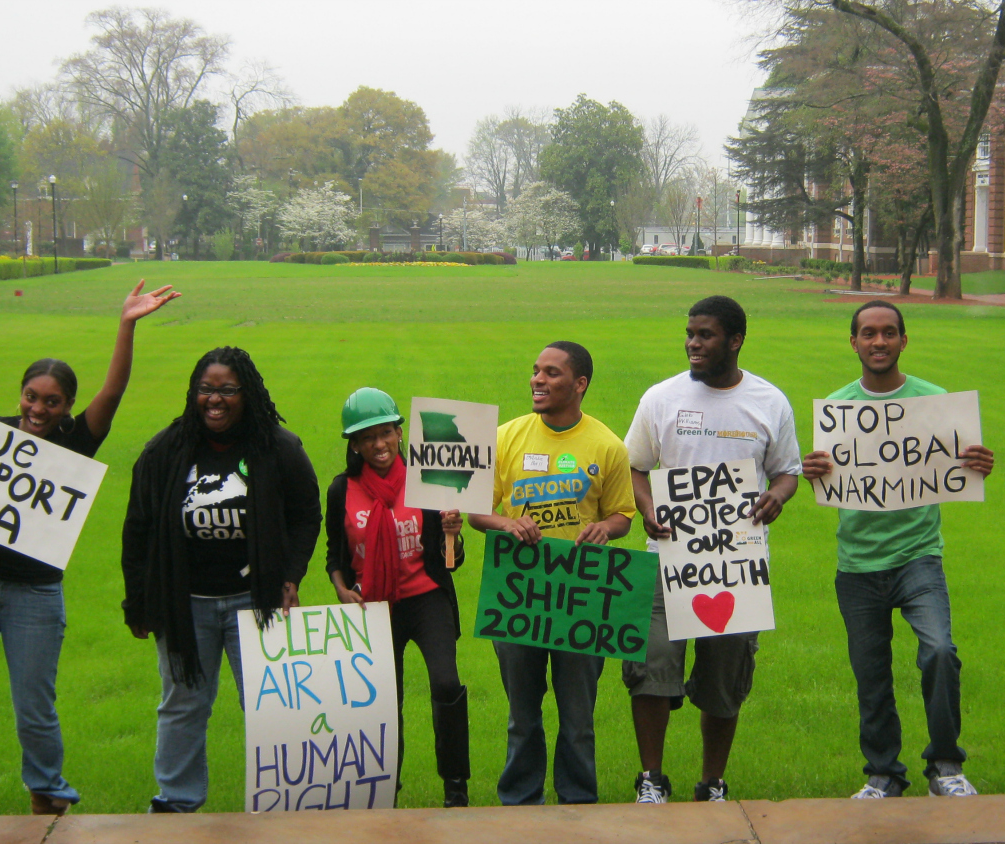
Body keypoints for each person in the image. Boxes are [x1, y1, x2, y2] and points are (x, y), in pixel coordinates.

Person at [0, 281, 180, 817]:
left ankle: (46, 795)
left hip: (35, 595)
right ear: (21, 396)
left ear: (68, 407)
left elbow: (115, 392)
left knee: (34, 712)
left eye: (51, 402)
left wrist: (126, 325)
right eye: (31, 397)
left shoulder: (75, 441)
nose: (37, 409)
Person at [801, 301, 994, 799]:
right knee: (872, 675)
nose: (879, 342)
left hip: (918, 557)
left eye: (889, 333)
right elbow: (829, 477)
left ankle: (946, 766)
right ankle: (884, 773)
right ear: (854, 342)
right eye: (869, 333)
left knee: (939, 652)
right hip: (858, 563)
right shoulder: (839, 410)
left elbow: (959, 465)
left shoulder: (934, 403)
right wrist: (815, 472)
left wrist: (977, 461)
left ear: (904, 340)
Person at [121, 346, 321, 813]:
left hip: (257, 604)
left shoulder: (279, 449)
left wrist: (291, 575)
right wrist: (138, 602)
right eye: (205, 390)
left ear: (246, 394)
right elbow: (138, 528)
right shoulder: (164, 451)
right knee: (182, 705)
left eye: (227, 390)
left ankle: (283, 800)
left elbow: (306, 516)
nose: (215, 399)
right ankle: (176, 800)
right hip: (184, 605)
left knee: (270, 707)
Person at [622, 295, 801, 804]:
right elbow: (636, 464)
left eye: (705, 336)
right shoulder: (661, 398)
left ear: (735, 340)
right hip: (667, 559)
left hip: (737, 563)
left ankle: (712, 782)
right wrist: (645, 506)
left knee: (726, 675)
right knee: (651, 666)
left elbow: (787, 471)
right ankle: (651, 779)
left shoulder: (769, 401)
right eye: (690, 334)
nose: (692, 344)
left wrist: (777, 498)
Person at [467, 341, 636, 805]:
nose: (537, 380)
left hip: (581, 597)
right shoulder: (507, 436)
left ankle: (578, 803)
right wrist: (507, 521)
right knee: (522, 715)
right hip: (521, 595)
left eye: (551, 373)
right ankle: (520, 803)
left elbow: (622, 514)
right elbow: (477, 510)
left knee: (578, 717)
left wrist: (604, 527)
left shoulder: (607, 445)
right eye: (536, 371)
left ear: (579, 384)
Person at [325, 387, 471, 808]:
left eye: (386, 433)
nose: (379, 444)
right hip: (373, 606)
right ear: (354, 444)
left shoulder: (428, 480)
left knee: (446, 683)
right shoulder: (342, 491)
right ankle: (384, 790)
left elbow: (451, 562)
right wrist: (339, 588)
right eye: (367, 437)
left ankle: (455, 786)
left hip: (427, 599)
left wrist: (451, 536)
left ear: (399, 433)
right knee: (384, 702)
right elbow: (334, 555)